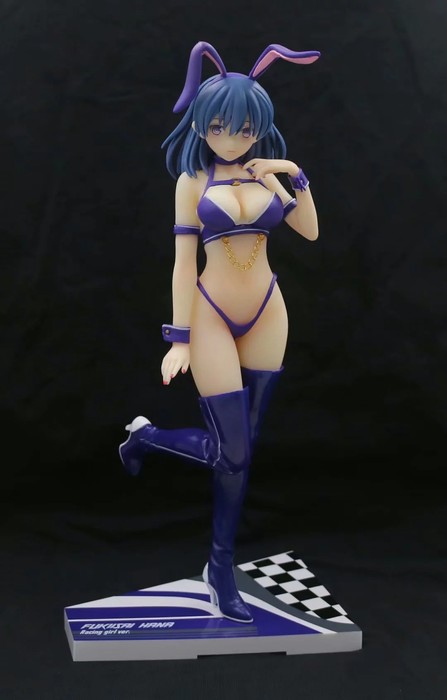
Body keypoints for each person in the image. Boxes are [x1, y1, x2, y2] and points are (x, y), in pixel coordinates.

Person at [119, 42, 320, 624]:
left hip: (268, 311)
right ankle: (148, 438)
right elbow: (183, 263)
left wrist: (290, 173)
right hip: (209, 312)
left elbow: (309, 231)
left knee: (241, 454)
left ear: (260, 128)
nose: (232, 139)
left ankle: (217, 565)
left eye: (245, 129)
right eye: (219, 127)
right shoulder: (191, 180)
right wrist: (179, 336)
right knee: (232, 450)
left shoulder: (267, 173)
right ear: (202, 125)